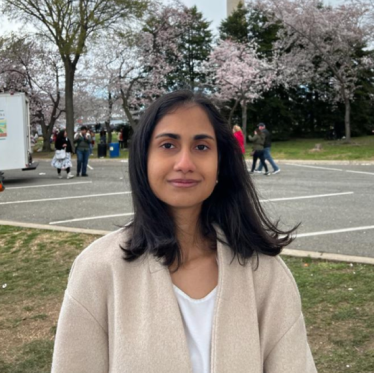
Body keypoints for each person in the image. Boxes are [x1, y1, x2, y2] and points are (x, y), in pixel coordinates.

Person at [51, 91, 317, 373]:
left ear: (220, 164)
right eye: (168, 145)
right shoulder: (97, 270)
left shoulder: (265, 273)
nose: (185, 164)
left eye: (201, 147)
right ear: (143, 159)